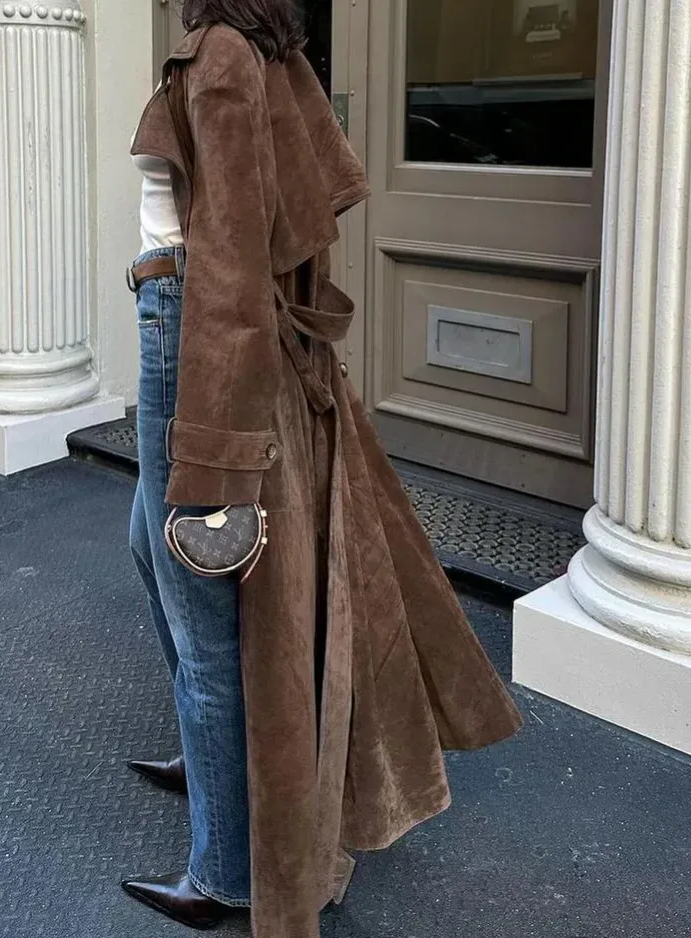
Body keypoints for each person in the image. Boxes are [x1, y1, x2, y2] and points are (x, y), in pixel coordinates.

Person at [124, 2, 523, 935]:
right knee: (148, 545)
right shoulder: (261, 47)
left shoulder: (222, 52)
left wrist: (219, 460)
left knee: (200, 595)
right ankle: (212, 757)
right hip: (181, 315)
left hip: (185, 327)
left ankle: (224, 871)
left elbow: (230, 265)